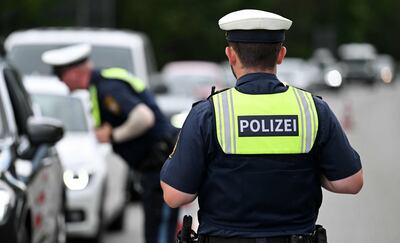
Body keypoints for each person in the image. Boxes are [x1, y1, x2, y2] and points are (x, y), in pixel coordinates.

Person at [160, 9, 363, 243]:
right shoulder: (313, 110)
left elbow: (175, 196)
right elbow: (351, 181)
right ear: (281, 55)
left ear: (231, 55)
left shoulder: (209, 114)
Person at [42, 44, 179, 243]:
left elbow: (144, 117)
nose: (60, 81)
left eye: (60, 75)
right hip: (155, 169)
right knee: (155, 231)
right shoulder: (101, 87)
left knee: (159, 234)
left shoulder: (108, 89)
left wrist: (114, 135)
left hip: (159, 169)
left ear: (74, 72)